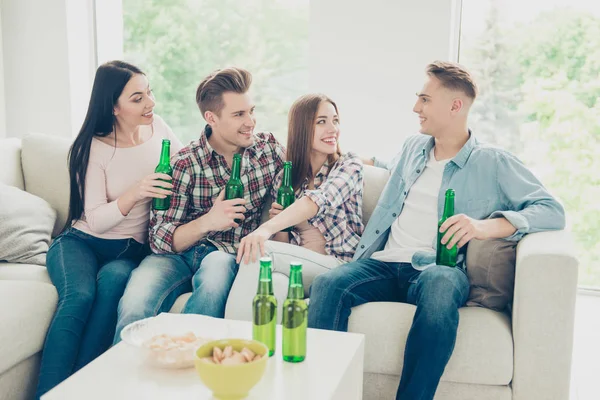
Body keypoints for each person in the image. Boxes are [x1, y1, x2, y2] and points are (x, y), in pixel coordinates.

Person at [307, 61, 566, 400]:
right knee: (328, 285)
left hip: (435, 269)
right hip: (384, 264)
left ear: (455, 106)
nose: (416, 107)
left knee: (442, 286)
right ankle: (321, 391)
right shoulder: (413, 147)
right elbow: (381, 164)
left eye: (425, 99)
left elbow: (551, 210)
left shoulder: (493, 162)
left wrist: (484, 227)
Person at [36, 60, 182, 398]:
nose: (150, 103)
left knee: (113, 286)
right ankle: (48, 394)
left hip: (128, 249)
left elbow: (187, 163)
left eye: (150, 92)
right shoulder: (94, 148)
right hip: (81, 243)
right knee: (79, 297)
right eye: (137, 98)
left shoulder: (158, 128)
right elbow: (97, 218)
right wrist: (137, 191)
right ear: (114, 107)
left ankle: (83, 389)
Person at [113, 67, 286, 342]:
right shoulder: (185, 162)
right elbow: (158, 237)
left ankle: (185, 365)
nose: (251, 121)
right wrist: (209, 221)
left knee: (215, 279)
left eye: (251, 111)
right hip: (175, 256)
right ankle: (121, 379)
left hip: (225, 253)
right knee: (135, 305)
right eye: (239, 114)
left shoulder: (268, 151)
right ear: (211, 118)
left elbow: (308, 163)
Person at [231, 93, 363, 309]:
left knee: (259, 252)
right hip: (299, 266)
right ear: (302, 128)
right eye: (322, 122)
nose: (333, 129)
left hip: (338, 268)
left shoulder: (348, 166)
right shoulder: (287, 178)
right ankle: (268, 341)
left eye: (335, 120)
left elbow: (320, 199)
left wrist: (265, 229)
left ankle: (236, 340)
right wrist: (282, 225)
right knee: (277, 286)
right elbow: (283, 245)